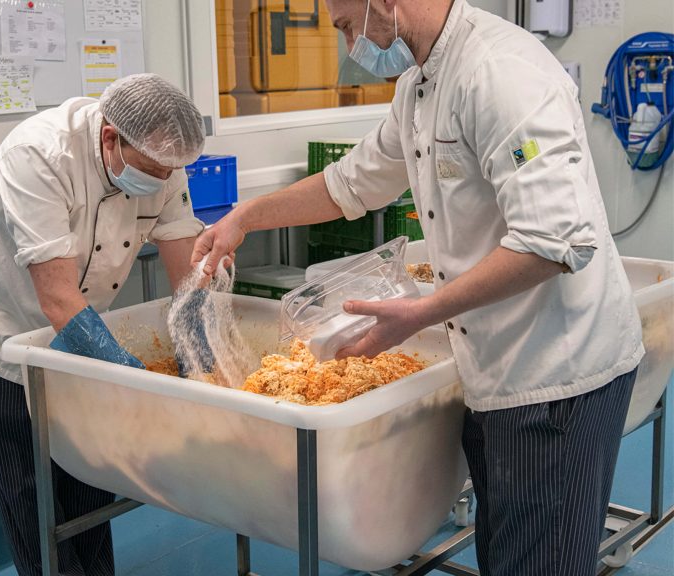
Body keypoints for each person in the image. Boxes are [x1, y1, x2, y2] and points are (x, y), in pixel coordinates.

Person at [193, 1, 644, 574]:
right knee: (510, 551)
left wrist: (422, 312)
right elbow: (350, 183)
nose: (350, 44)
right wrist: (246, 217)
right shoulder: (420, 84)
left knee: (540, 560)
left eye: (348, 25)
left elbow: (554, 239)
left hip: (556, 372)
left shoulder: (501, 72)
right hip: (492, 363)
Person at [0, 73, 206, 575]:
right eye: (153, 172)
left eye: (170, 172)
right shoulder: (40, 156)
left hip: (83, 315)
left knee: (87, 463)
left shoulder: (162, 159)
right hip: (1, 319)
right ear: (111, 138)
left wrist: (202, 355)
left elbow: (186, 277)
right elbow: (57, 300)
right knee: (26, 472)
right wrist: (136, 381)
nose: (163, 180)